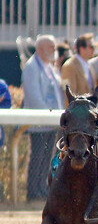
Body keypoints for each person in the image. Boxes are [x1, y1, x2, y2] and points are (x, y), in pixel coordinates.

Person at [22, 34, 64, 200]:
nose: (54, 50)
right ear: (40, 49)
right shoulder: (31, 67)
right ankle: (33, 191)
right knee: (38, 157)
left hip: (51, 122)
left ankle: (42, 188)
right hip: (39, 122)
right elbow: (34, 96)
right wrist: (48, 116)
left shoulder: (49, 67)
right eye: (50, 47)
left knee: (47, 158)